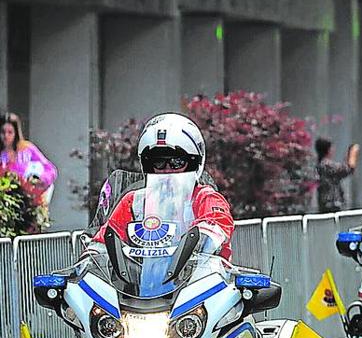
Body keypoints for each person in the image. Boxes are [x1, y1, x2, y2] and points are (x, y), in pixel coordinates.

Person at [90, 113, 235, 262]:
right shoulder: (134, 201)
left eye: (176, 162)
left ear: (193, 162)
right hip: (143, 281)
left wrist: (202, 239)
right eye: (158, 162)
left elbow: (217, 224)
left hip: (202, 280)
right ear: (147, 165)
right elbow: (104, 238)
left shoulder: (206, 198)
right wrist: (91, 258)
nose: (167, 170)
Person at [1, 112, 58, 204]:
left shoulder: (27, 149)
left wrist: (41, 180)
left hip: (29, 203)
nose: (6, 136)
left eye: (10, 132)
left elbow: (50, 170)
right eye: (3, 132)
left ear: (16, 133)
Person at [315, 138, 360, 214]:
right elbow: (347, 169)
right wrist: (353, 154)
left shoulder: (321, 164)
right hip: (332, 202)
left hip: (326, 202)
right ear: (328, 150)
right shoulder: (326, 164)